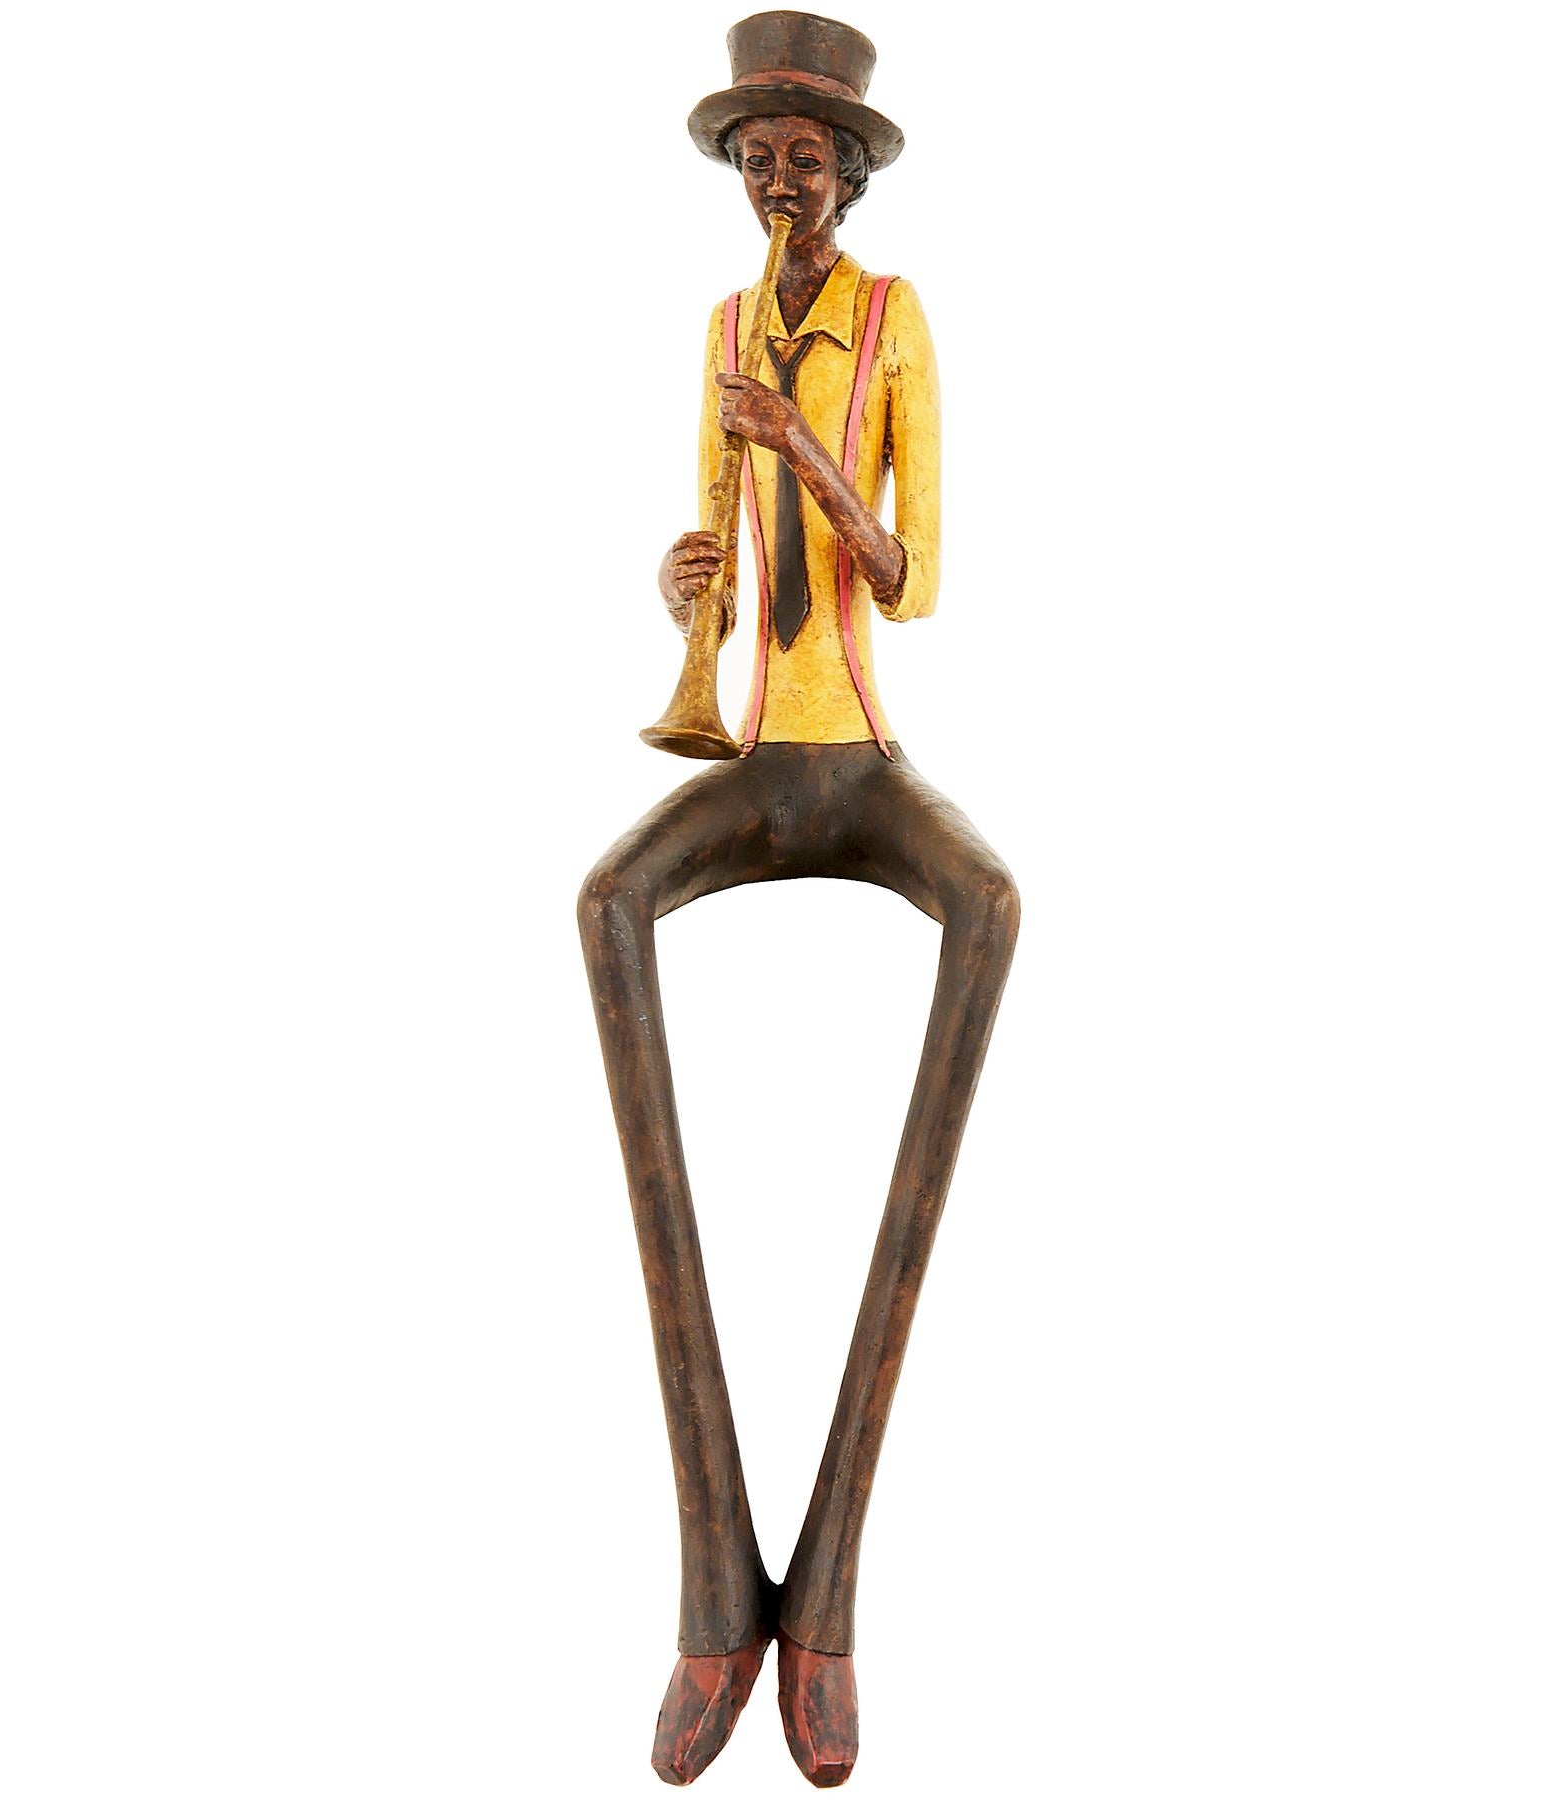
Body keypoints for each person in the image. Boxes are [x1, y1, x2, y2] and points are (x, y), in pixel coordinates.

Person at [578, 13, 1019, 1787]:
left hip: (860, 755)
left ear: (849, 173)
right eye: (757, 158)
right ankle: (716, 1581)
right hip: (755, 752)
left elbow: (912, 579)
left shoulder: (894, 319)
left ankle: (825, 1586)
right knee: (606, 904)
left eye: (805, 159)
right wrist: (677, 572)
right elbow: (712, 524)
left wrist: (808, 449)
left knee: (990, 906)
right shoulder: (720, 328)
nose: (778, 181)